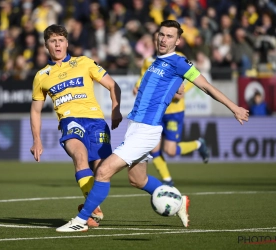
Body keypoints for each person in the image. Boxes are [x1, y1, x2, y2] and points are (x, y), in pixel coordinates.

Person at [56, 20, 249, 233]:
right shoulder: (155, 61)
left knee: (103, 171)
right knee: (137, 180)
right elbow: (162, 88)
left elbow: (206, 86)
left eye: (169, 36)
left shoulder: (179, 62)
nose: (164, 39)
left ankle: (81, 220)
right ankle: (179, 200)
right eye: (161, 35)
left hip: (147, 130)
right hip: (135, 128)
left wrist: (234, 108)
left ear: (178, 41)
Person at [30, 24, 123, 228]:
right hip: (70, 122)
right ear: (46, 45)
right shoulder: (41, 76)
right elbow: (35, 110)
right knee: (80, 156)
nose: (57, 44)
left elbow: (112, 85)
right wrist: (36, 139)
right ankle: (89, 213)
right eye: (53, 41)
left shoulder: (84, 62)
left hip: (97, 122)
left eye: (61, 40)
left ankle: (87, 209)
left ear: (67, 43)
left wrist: (116, 107)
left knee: (102, 173)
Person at [133, 30, 209, 186]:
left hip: (174, 111)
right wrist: (137, 87)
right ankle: (167, 179)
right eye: (158, 38)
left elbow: (191, 79)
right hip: (157, 111)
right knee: (153, 148)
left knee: (170, 151)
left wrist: (181, 92)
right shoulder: (149, 61)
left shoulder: (179, 58)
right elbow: (143, 78)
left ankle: (199, 144)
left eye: (166, 37)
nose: (162, 41)